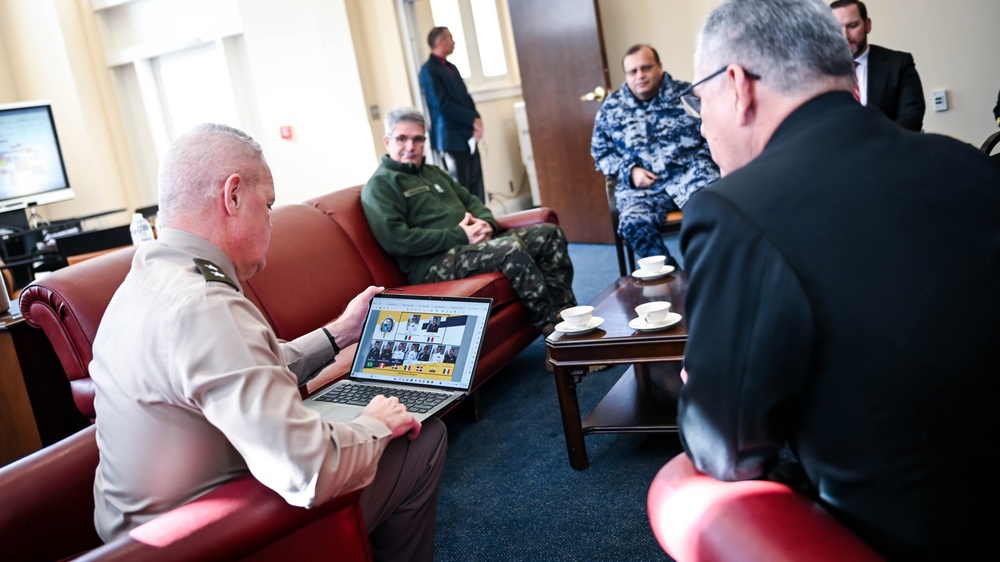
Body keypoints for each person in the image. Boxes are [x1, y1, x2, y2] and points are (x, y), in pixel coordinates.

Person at [676, 0, 1000, 559]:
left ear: (737, 85)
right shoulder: (969, 163)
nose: (701, 125)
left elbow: (724, 451)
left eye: (699, 102)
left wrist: (695, 380)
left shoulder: (735, 210)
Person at [89, 123, 447, 561]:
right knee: (422, 439)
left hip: (134, 540)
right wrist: (376, 423)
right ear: (233, 195)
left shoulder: (143, 284)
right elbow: (310, 471)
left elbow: (244, 364)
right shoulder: (206, 304)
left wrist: (339, 334)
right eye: (269, 204)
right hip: (209, 540)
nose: (271, 220)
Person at [362, 106, 576, 336]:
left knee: (549, 234)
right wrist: (461, 235)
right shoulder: (380, 185)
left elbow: (471, 201)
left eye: (417, 139)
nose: (410, 146)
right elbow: (397, 240)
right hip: (432, 264)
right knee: (509, 249)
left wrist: (486, 223)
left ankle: (569, 319)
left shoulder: (434, 172)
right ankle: (555, 335)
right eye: (402, 139)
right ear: (387, 141)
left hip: (469, 247)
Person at [591, 44, 719, 266]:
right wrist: (630, 172)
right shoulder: (611, 108)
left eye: (646, 68)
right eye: (633, 71)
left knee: (713, 212)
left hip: (691, 178)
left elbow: (716, 133)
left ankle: (708, 275)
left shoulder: (687, 95)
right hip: (643, 190)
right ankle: (674, 281)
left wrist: (701, 164)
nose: (640, 75)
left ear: (659, 67)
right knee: (633, 225)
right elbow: (601, 153)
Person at [830, 0, 925, 131]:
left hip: (889, 148)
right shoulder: (817, 71)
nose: (845, 35)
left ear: (867, 25)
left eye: (852, 26)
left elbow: (911, 118)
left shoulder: (898, 63)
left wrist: (870, 140)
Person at [419, 26, 485, 203]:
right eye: (450, 38)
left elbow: (465, 97)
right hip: (449, 138)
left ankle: (484, 220)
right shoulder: (429, 70)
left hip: (466, 135)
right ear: (440, 42)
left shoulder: (452, 67)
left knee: (476, 184)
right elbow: (442, 105)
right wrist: (471, 120)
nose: (454, 42)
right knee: (460, 187)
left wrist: (477, 121)